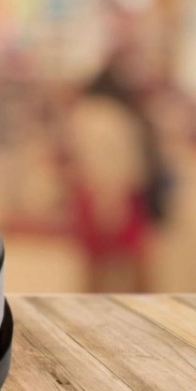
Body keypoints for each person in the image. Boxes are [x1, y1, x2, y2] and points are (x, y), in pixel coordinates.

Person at [65, 55, 172, 292]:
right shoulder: (111, 115)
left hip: (100, 192)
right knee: (132, 260)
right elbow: (115, 162)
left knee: (100, 262)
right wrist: (112, 200)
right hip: (116, 193)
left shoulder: (86, 114)